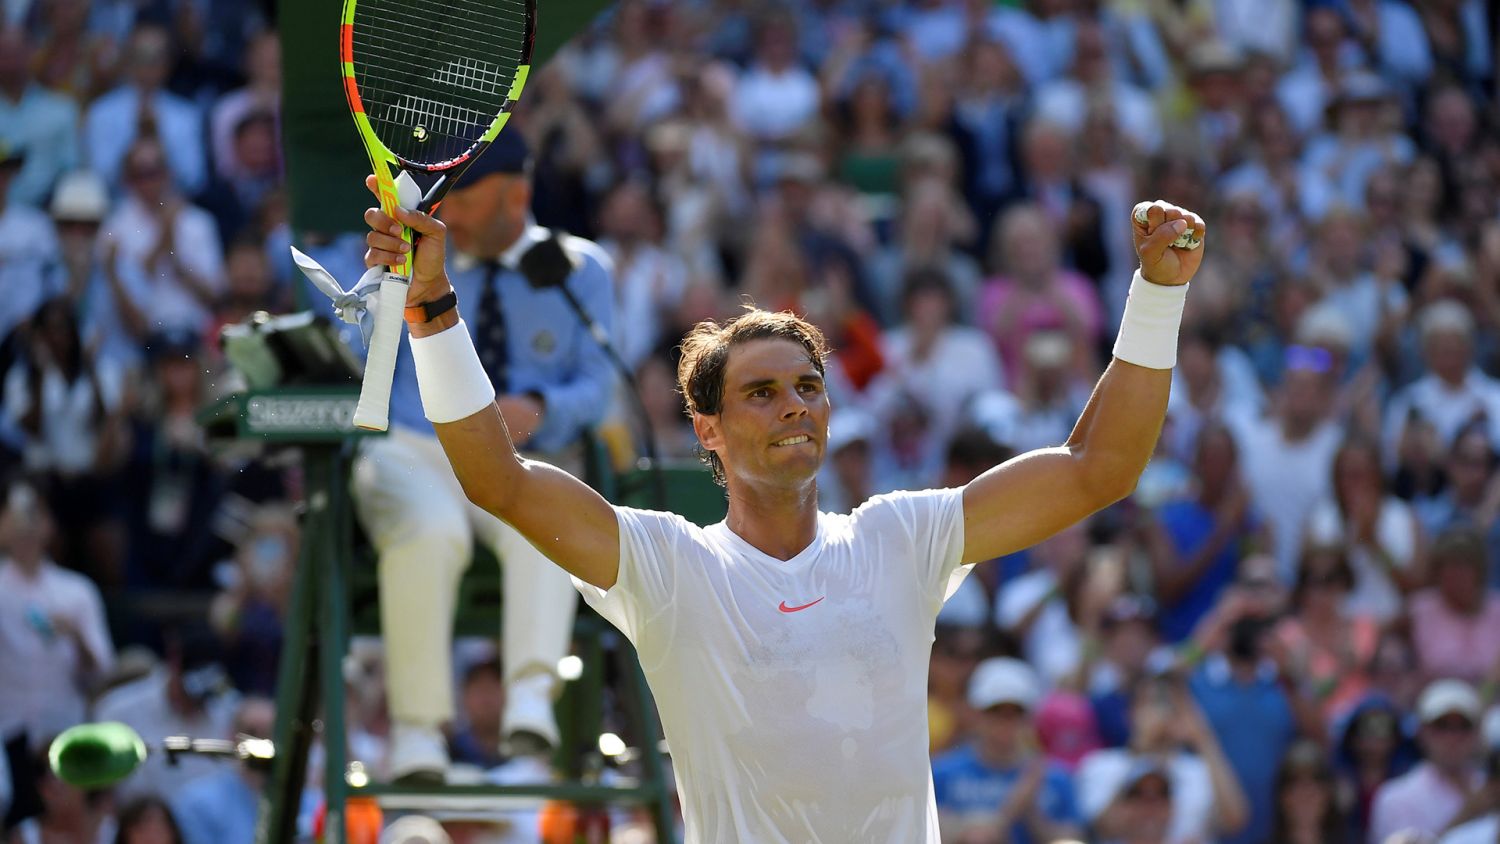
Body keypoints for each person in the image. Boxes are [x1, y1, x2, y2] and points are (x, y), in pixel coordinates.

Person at [358, 181, 1205, 840]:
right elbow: (497, 480)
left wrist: (1156, 296)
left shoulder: (901, 537)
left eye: (808, 388)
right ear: (709, 430)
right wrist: (432, 307)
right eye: (761, 393)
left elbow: (1102, 469)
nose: (795, 405)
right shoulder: (668, 565)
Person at [348, 130, 616, 782]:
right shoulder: (414, 257)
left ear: (516, 194)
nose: (450, 212)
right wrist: (384, 278)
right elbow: (356, 356)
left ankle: (531, 699)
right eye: (442, 196)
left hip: (520, 456)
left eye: (462, 196)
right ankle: (418, 733)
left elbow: (600, 383)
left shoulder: (582, 270)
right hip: (414, 448)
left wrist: (544, 409)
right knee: (429, 532)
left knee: (545, 524)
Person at [932, 657, 1083, 844]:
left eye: (1015, 714)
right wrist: (1014, 806)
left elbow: (1071, 839)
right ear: (976, 714)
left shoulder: (1055, 778)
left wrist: (1032, 812)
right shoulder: (941, 774)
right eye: (995, 713)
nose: (1005, 723)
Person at [1369, 679, 1486, 844]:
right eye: (1441, 726)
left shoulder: (1490, 786)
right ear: (1422, 732)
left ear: (1477, 733)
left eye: (1463, 727)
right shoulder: (1395, 797)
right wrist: (1470, 813)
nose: (1452, 738)